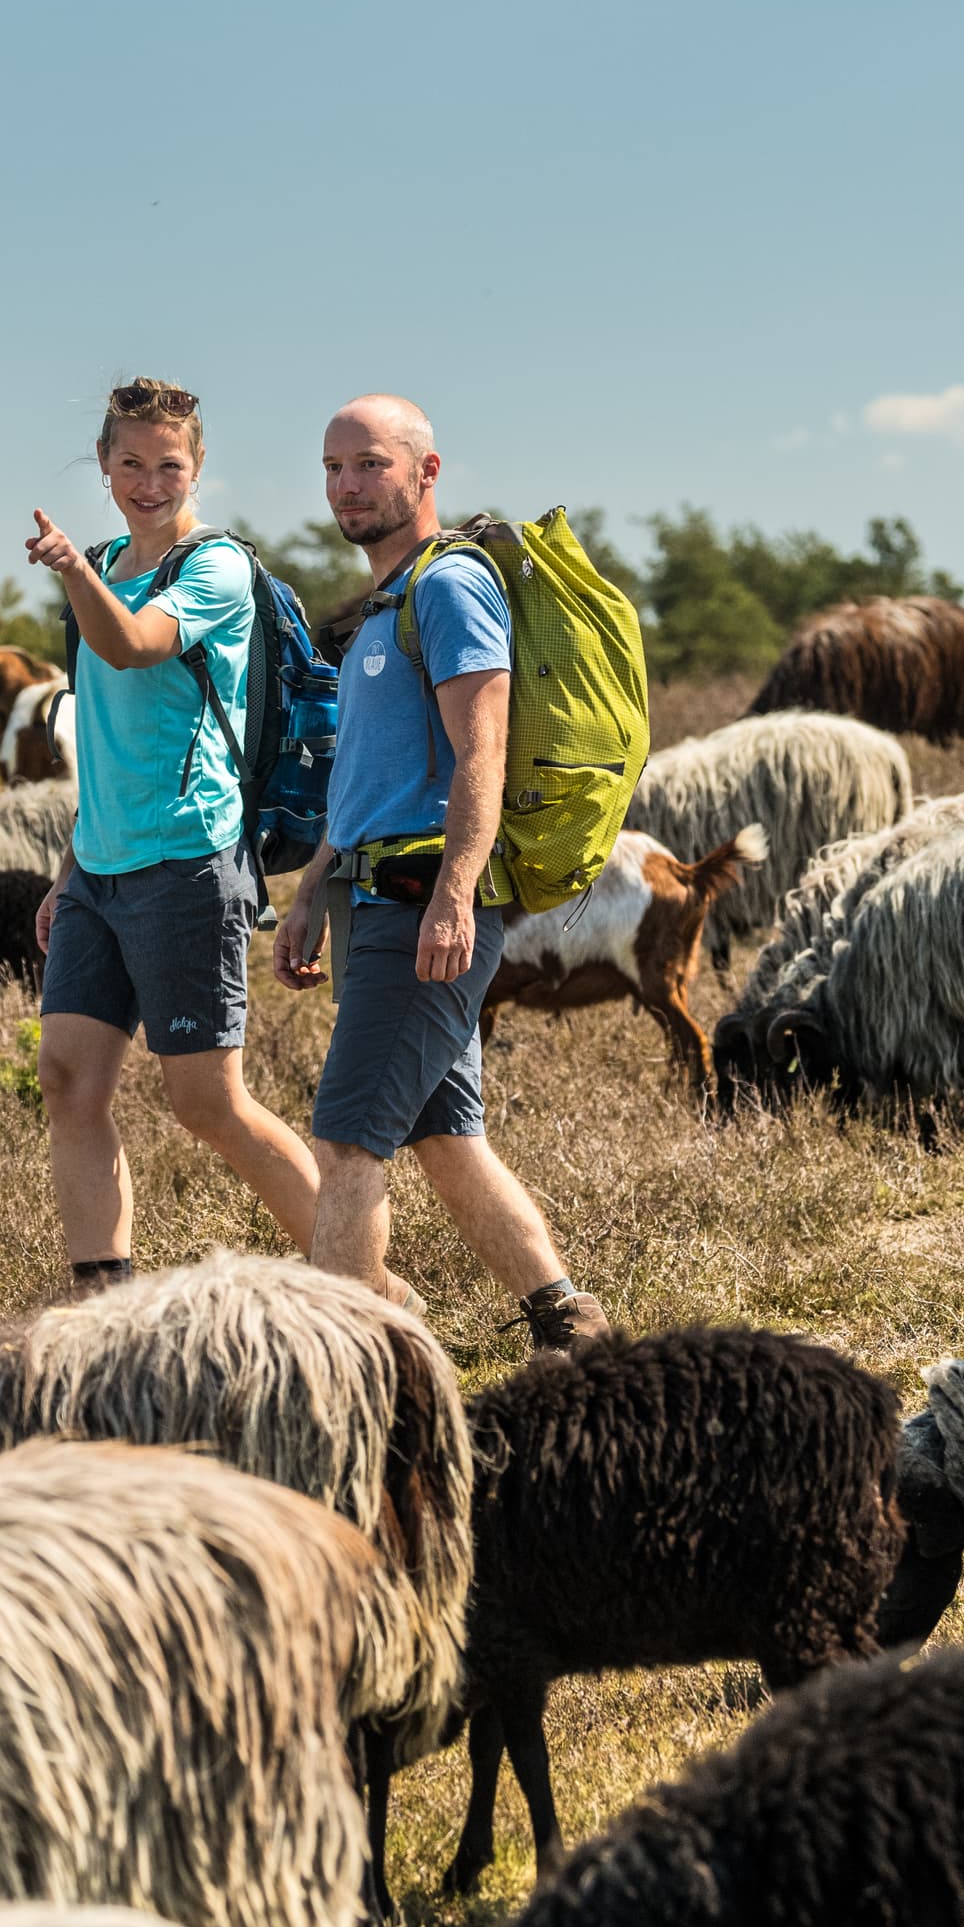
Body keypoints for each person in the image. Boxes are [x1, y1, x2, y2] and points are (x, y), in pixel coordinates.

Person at [273, 392, 609, 1353]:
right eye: (333, 467)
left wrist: (457, 895)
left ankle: (350, 1361)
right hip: (375, 893)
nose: (346, 486)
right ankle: (570, 1323)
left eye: (369, 464)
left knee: (346, 1139)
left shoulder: (449, 587)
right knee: (445, 1137)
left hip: (424, 901)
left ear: (426, 472)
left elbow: (482, 751)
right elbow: (365, 777)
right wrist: (311, 890)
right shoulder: (382, 608)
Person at [19, 378, 325, 1294]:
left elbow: (134, 646)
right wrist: (69, 870)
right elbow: (106, 742)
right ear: (103, 464)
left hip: (189, 862)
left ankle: (366, 1283)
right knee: (68, 1082)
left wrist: (73, 574)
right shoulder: (105, 560)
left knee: (208, 1106)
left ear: (197, 468)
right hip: (99, 870)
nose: (148, 483)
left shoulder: (215, 568)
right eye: (130, 463)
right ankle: (102, 1300)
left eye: (168, 465)